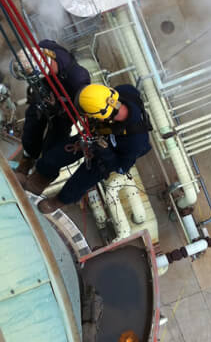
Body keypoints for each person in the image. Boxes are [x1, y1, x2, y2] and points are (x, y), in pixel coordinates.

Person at [24, 83, 151, 214]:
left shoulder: (136, 142)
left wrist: (105, 152)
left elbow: (121, 167)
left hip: (110, 155)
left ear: (103, 116)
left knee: (83, 180)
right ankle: (39, 179)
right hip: (96, 134)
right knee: (56, 156)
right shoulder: (122, 92)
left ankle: (59, 201)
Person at [14, 40, 90, 178]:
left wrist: (57, 108)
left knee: (55, 142)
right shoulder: (45, 47)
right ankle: (28, 158)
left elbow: (79, 110)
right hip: (47, 93)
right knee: (32, 122)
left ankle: (41, 175)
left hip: (65, 108)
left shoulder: (78, 79)